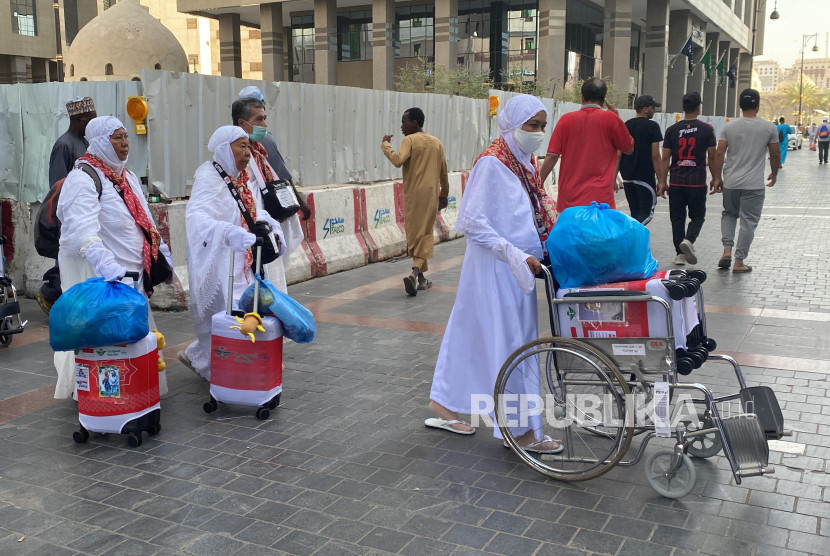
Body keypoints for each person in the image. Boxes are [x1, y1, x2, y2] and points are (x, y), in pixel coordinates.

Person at [426, 94, 562, 454]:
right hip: (497, 268)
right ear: (511, 124)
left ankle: (444, 404)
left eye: (542, 126)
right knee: (511, 343)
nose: (538, 133)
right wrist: (514, 254)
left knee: (471, 333)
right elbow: (471, 222)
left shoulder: (524, 162)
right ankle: (520, 431)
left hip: (515, 267)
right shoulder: (492, 162)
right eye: (532, 126)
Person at [53, 116, 173, 398]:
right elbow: (81, 231)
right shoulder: (83, 178)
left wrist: (161, 256)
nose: (124, 143)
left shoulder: (126, 176)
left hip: (131, 278)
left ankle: (132, 389)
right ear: (98, 142)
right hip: (102, 279)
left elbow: (145, 222)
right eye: (116, 137)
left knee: (131, 334)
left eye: (126, 137)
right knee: (101, 339)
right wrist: (108, 266)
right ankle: (99, 395)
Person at [180, 126, 301, 380]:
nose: (248, 153)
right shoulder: (208, 176)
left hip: (245, 262)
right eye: (241, 146)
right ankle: (216, 367)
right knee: (219, 317)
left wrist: (273, 227)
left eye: (248, 146)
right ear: (225, 149)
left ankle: (241, 367)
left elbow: (256, 210)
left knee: (247, 313)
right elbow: (196, 217)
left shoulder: (243, 177)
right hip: (220, 260)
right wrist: (226, 232)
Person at [230, 96, 305, 293]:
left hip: (268, 227)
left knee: (274, 282)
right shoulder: (233, 156)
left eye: (264, 118)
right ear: (242, 123)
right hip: (253, 230)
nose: (264, 125)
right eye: (258, 120)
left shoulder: (260, 150)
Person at [36, 97, 97, 315]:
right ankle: (49, 293)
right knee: (66, 259)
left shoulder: (85, 142)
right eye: (91, 119)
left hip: (85, 211)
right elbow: (58, 185)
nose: (93, 122)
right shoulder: (64, 144)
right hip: (68, 214)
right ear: (80, 119)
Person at [381, 108, 450, 296]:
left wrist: (385, 144)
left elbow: (398, 160)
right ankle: (420, 279)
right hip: (430, 195)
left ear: (415, 123)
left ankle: (414, 273)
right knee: (423, 233)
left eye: (404, 122)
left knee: (419, 234)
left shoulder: (409, 140)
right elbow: (444, 172)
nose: (402, 126)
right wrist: (444, 194)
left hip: (413, 195)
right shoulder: (436, 143)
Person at [710, 89, 779, 273]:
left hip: (731, 182)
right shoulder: (769, 127)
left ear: (740, 106)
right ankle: (739, 261)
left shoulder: (729, 127)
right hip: (754, 185)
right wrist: (774, 173)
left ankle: (726, 251)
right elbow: (774, 153)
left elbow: (719, 153)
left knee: (729, 214)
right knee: (748, 221)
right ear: (757, 105)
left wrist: (717, 177)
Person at [540, 78, 634, 212]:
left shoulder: (566, 120)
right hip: (600, 200)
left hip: (570, 199)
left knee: (573, 233)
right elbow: (629, 148)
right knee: (597, 233)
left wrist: (539, 183)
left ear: (582, 97)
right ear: (603, 100)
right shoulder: (611, 119)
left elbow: (552, 156)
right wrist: (617, 117)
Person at [658, 92, 716, 266]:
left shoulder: (672, 130)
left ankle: (680, 255)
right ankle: (689, 240)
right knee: (698, 216)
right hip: (697, 182)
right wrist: (716, 177)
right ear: (699, 107)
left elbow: (665, 158)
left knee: (677, 218)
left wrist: (662, 181)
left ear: (683, 107)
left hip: (676, 181)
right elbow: (712, 156)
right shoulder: (707, 129)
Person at [238, 86, 310, 219]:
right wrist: (300, 202)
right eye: (259, 119)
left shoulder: (232, 139)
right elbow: (281, 174)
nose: (264, 124)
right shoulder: (262, 138)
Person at [619, 95, 663, 224]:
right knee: (647, 213)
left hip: (627, 176)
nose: (654, 110)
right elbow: (655, 155)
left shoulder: (626, 125)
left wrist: (614, 175)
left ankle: (635, 243)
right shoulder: (652, 126)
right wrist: (661, 180)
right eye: (653, 107)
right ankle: (628, 237)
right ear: (645, 109)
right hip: (644, 176)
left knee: (635, 212)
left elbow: (619, 153)